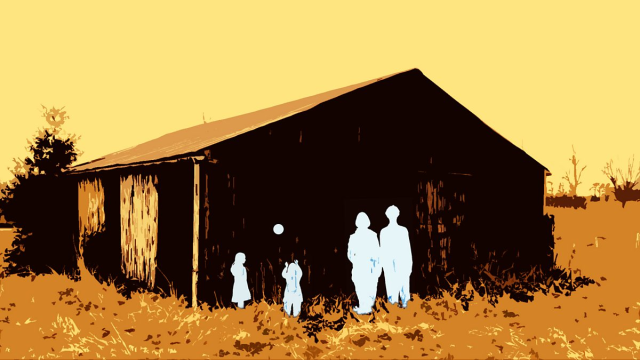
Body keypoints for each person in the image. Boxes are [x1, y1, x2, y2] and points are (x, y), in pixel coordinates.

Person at [347, 212, 381, 315]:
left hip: (362, 266)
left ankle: (365, 307)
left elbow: (349, 254)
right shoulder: (372, 235)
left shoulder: (354, 237)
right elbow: (377, 253)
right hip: (367, 265)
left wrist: (356, 260)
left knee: (362, 286)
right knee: (367, 286)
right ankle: (366, 307)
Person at [380, 205, 413, 308]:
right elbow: (406, 249)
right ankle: (403, 307)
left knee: (394, 285)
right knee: (401, 285)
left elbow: (406, 248)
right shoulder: (402, 230)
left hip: (396, 261)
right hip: (396, 261)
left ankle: (396, 307)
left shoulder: (384, 231)